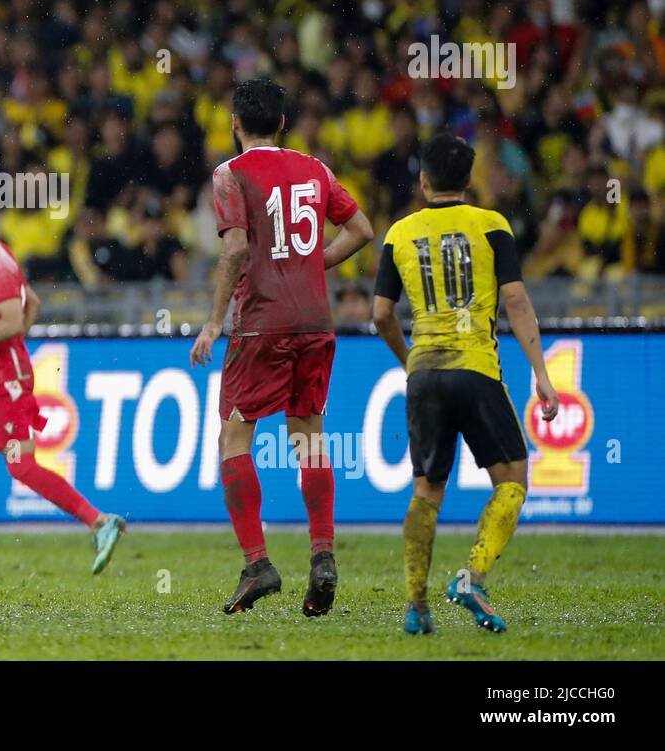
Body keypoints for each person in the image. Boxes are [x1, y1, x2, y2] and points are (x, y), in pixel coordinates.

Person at [191, 77, 373, 616]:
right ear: (283, 124)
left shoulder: (230, 174)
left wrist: (212, 321)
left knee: (234, 435)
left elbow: (236, 251)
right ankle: (322, 555)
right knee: (310, 437)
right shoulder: (314, 170)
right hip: (316, 320)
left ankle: (257, 564)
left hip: (261, 323)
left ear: (234, 124)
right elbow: (361, 229)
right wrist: (311, 263)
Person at [372, 132, 558, 635]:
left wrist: (409, 359)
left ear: (423, 180)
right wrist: (541, 374)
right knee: (513, 482)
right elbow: (516, 301)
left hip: (425, 372)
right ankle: (472, 577)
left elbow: (381, 313)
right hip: (475, 369)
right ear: (469, 181)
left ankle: (415, 605)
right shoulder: (491, 225)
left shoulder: (398, 233)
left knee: (427, 491)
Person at [0, 186, 126, 580]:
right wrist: (10, 346)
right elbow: (32, 303)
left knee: (21, 466)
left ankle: (101, 522)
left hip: (5, 384)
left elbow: (15, 319)